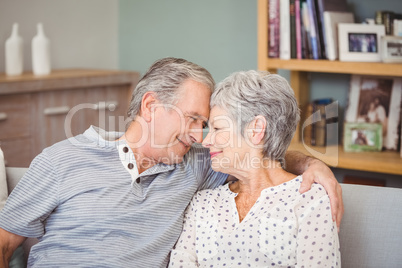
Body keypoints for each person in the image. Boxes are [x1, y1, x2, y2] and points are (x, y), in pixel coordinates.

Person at [0, 58, 343, 268]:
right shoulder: (63, 160)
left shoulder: (197, 165)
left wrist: (311, 164)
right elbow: (3, 244)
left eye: (207, 124)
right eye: (193, 119)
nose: (199, 135)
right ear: (150, 106)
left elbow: (260, 157)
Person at [169, 71, 340, 267]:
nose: (205, 141)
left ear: (256, 129)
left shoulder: (309, 200)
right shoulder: (203, 203)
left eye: (217, 129)